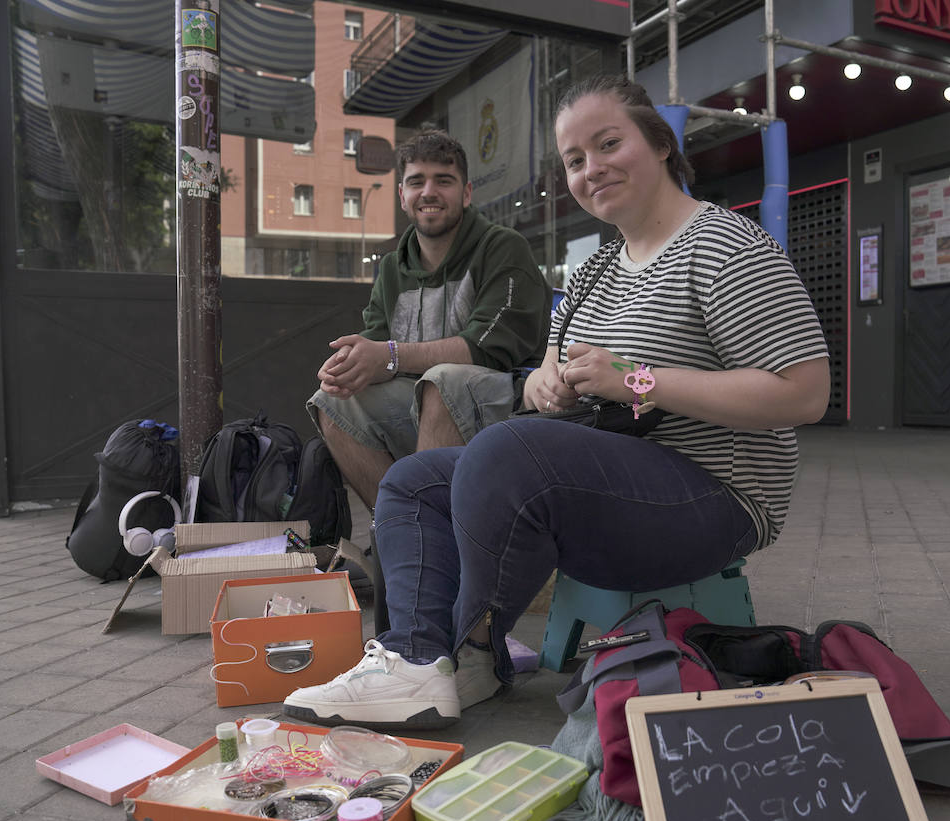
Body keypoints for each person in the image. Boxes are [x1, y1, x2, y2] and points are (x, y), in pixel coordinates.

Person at [284, 75, 830, 729]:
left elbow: (805, 392)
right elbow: (554, 357)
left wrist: (639, 379)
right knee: (412, 482)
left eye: (607, 144)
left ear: (659, 143)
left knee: (505, 450)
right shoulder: (598, 266)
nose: (591, 169)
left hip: (716, 497)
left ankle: (449, 651)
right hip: (611, 478)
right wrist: (546, 381)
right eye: (575, 160)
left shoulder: (726, 248)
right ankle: (432, 663)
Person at [307, 128, 550, 512]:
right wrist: (350, 366)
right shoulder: (391, 268)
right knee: (332, 401)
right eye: (416, 181)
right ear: (402, 195)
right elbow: (378, 354)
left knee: (443, 381)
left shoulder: (502, 247)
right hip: (424, 408)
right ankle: (394, 526)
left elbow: (483, 349)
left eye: (444, 181)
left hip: (514, 409)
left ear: (467, 193)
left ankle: (431, 536)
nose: (429, 192)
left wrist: (388, 355)